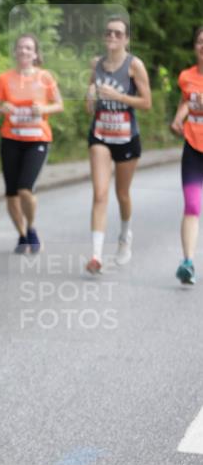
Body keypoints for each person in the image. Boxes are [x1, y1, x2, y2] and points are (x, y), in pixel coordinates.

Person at [85, 16, 152, 274]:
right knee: (100, 193)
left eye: (118, 33)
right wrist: (90, 96)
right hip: (100, 134)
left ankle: (125, 236)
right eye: (109, 32)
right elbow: (89, 106)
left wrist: (119, 96)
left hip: (126, 137)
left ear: (126, 39)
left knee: (122, 193)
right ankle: (96, 255)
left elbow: (146, 103)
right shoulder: (96, 64)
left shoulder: (135, 65)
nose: (112, 36)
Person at [0, 34, 63, 253]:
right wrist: (2, 108)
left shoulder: (45, 77)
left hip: (37, 140)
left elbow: (59, 104)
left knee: (25, 189)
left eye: (29, 48)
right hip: (11, 139)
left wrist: (44, 109)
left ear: (36, 54)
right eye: (21, 47)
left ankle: (31, 227)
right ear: (15, 52)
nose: (24, 51)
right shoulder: (4, 79)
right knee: (11, 193)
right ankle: (22, 235)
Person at [171, 25, 203, 285]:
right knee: (192, 205)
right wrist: (178, 118)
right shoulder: (186, 76)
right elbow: (186, 100)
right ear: (195, 46)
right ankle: (188, 263)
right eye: (201, 41)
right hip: (193, 147)